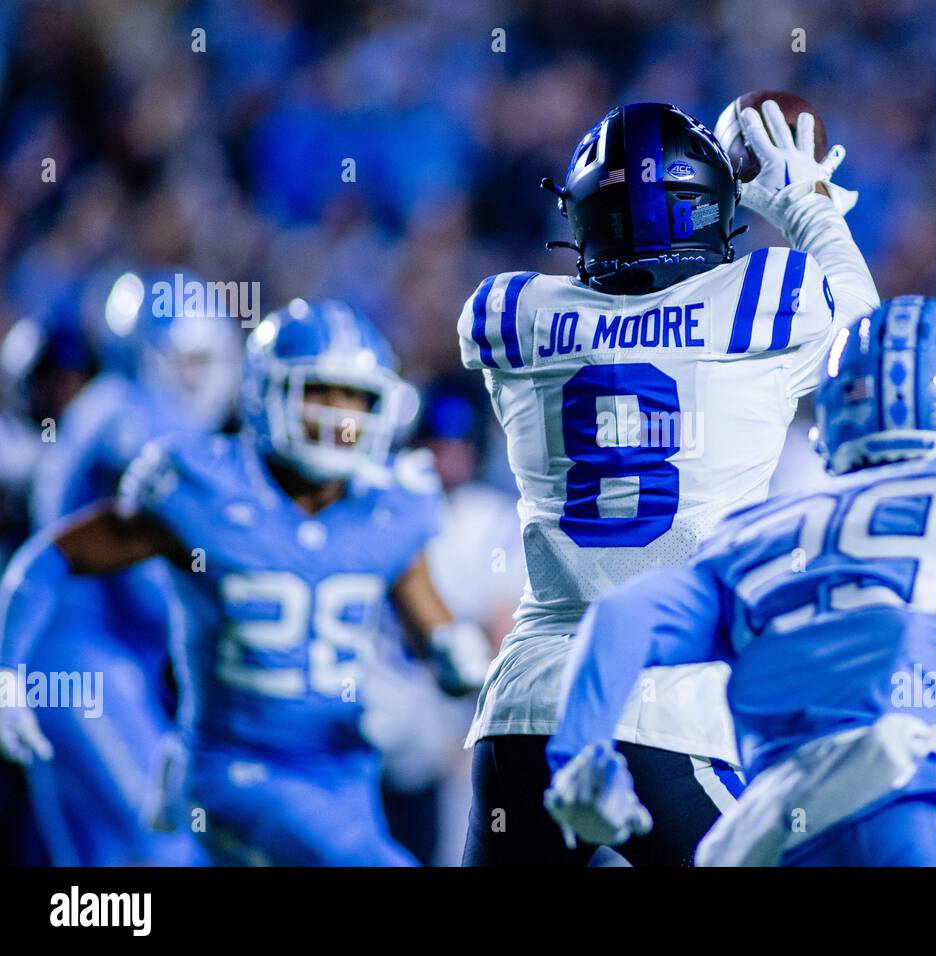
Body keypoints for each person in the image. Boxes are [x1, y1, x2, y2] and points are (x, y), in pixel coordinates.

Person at [544, 296, 936, 867]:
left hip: (759, 835)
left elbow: (621, 615)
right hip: (903, 812)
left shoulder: (755, 534)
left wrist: (580, 751)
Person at [457, 100, 879, 864]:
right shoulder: (762, 300)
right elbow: (867, 332)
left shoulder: (507, 314)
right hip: (661, 707)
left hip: (525, 702)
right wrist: (801, 198)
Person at [0, 298, 490, 866]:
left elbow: (434, 628)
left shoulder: (390, 510)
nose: (339, 414)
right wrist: (9, 672)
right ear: (266, 393)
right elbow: (53, 557)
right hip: (235, 767)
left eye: (357, 396)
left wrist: (460, 665)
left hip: (344, 773)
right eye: (320, 392)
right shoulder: (203, 491)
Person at [0, 270, 241, 865]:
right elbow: (146, 585)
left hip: (73, 660)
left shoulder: (110, 408)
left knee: (97, 875)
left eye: (205, 360)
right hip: (82, 662)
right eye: (185, 360)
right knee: (167, 845)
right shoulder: (135, 422)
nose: (197, 378)